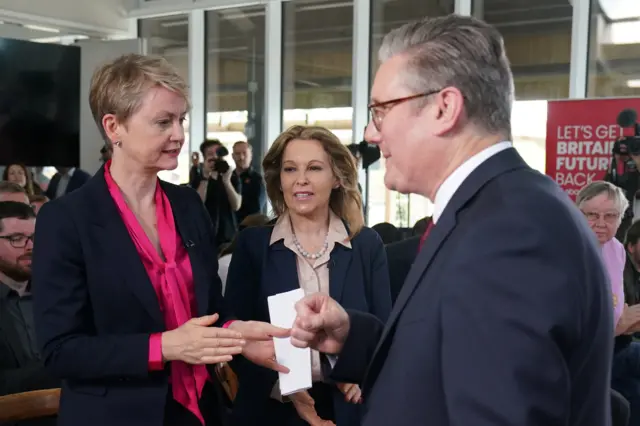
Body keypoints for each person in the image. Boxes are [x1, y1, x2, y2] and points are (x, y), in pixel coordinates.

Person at [289, 15, 612, 426]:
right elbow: (449, 362)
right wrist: (353, 337)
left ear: (444, 108)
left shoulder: (510, 234)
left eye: (381, 110)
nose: (371, 133)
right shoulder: (495, 210)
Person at [31, 53, 288, 426]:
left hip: (201, 408)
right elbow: (61, 351)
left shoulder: (187, 205)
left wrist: (237, 334)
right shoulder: (65, 220)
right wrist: (166, 346)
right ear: (113, 127)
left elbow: (209, 308)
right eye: (163, 122)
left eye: (180, 119)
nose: (180, 134)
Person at [225, 125, 391, 426]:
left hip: (349, 408)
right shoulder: (253, 245)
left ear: (338, 177)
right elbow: (235, 335)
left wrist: (353, 370)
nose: (300, 179)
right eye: (290, 169)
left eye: (314, 168)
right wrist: (289, 390)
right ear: (280, 180)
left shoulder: (366, 245)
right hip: (272, 408)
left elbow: (382, 332)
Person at [575, 182, 635, 426]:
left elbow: (615, 306)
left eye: (610, 216)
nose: (601, 223)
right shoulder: (569, 249)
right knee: (619, 407)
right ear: (577, 213)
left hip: (610, 345)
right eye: (592, 215)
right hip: (578, 356)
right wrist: (621, 326)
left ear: (621, 219)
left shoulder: (617, 250)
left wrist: (625, 323)